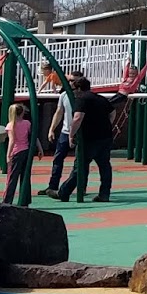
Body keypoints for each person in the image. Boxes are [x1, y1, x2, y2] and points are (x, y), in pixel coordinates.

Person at [57, 75, 118, 203]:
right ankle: (104, 194)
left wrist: (71, 135)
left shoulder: (82, 100)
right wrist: (107, 125)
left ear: (79, 89)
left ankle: (64, 192)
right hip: (105, 137)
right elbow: (113, 112)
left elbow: (78, 118)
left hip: (89, 138)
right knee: (105, 166)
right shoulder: (100, 99)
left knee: (80, 166)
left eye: (73, 89)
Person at [42, 80, 75, 197]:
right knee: (58, 159)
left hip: (79, 133)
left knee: (80, 162)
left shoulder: (82, 96)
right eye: (70, 80)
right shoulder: (64, 95)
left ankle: (81, 187)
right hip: (65, 132)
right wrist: (52, 129)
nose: (71, 83)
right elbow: (59, 112)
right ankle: (52, 186)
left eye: (73, 80)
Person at [2, 98, 34, 205]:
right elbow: (33, 137)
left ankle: (7, 201)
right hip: (26, 151)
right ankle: (25, 199)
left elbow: (12, 141)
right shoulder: (27, 123)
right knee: (25, 176)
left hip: (16, 152)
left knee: (12, 177)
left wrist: (8, 155)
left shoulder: (11, 125)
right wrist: (39, 148)